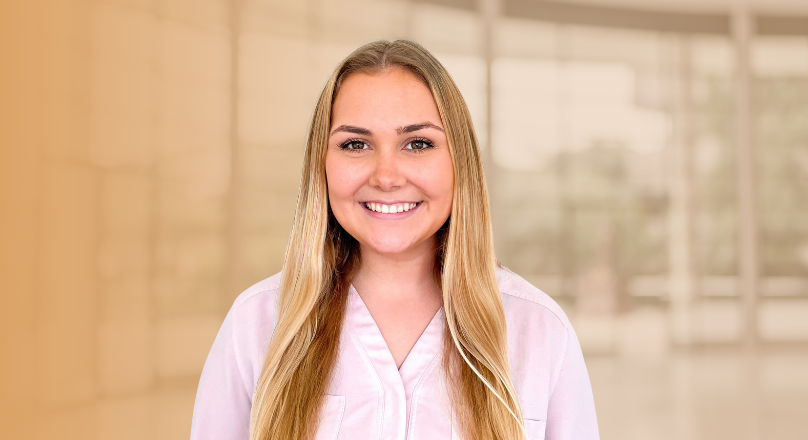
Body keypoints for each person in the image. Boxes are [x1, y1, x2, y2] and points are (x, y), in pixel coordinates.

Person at [190, 39, 599, 440]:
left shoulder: (539, 331)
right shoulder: (257, 325)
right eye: (355, 144)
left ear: (460, 161)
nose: (386, 176)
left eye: (418, 144)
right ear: (323, 164)